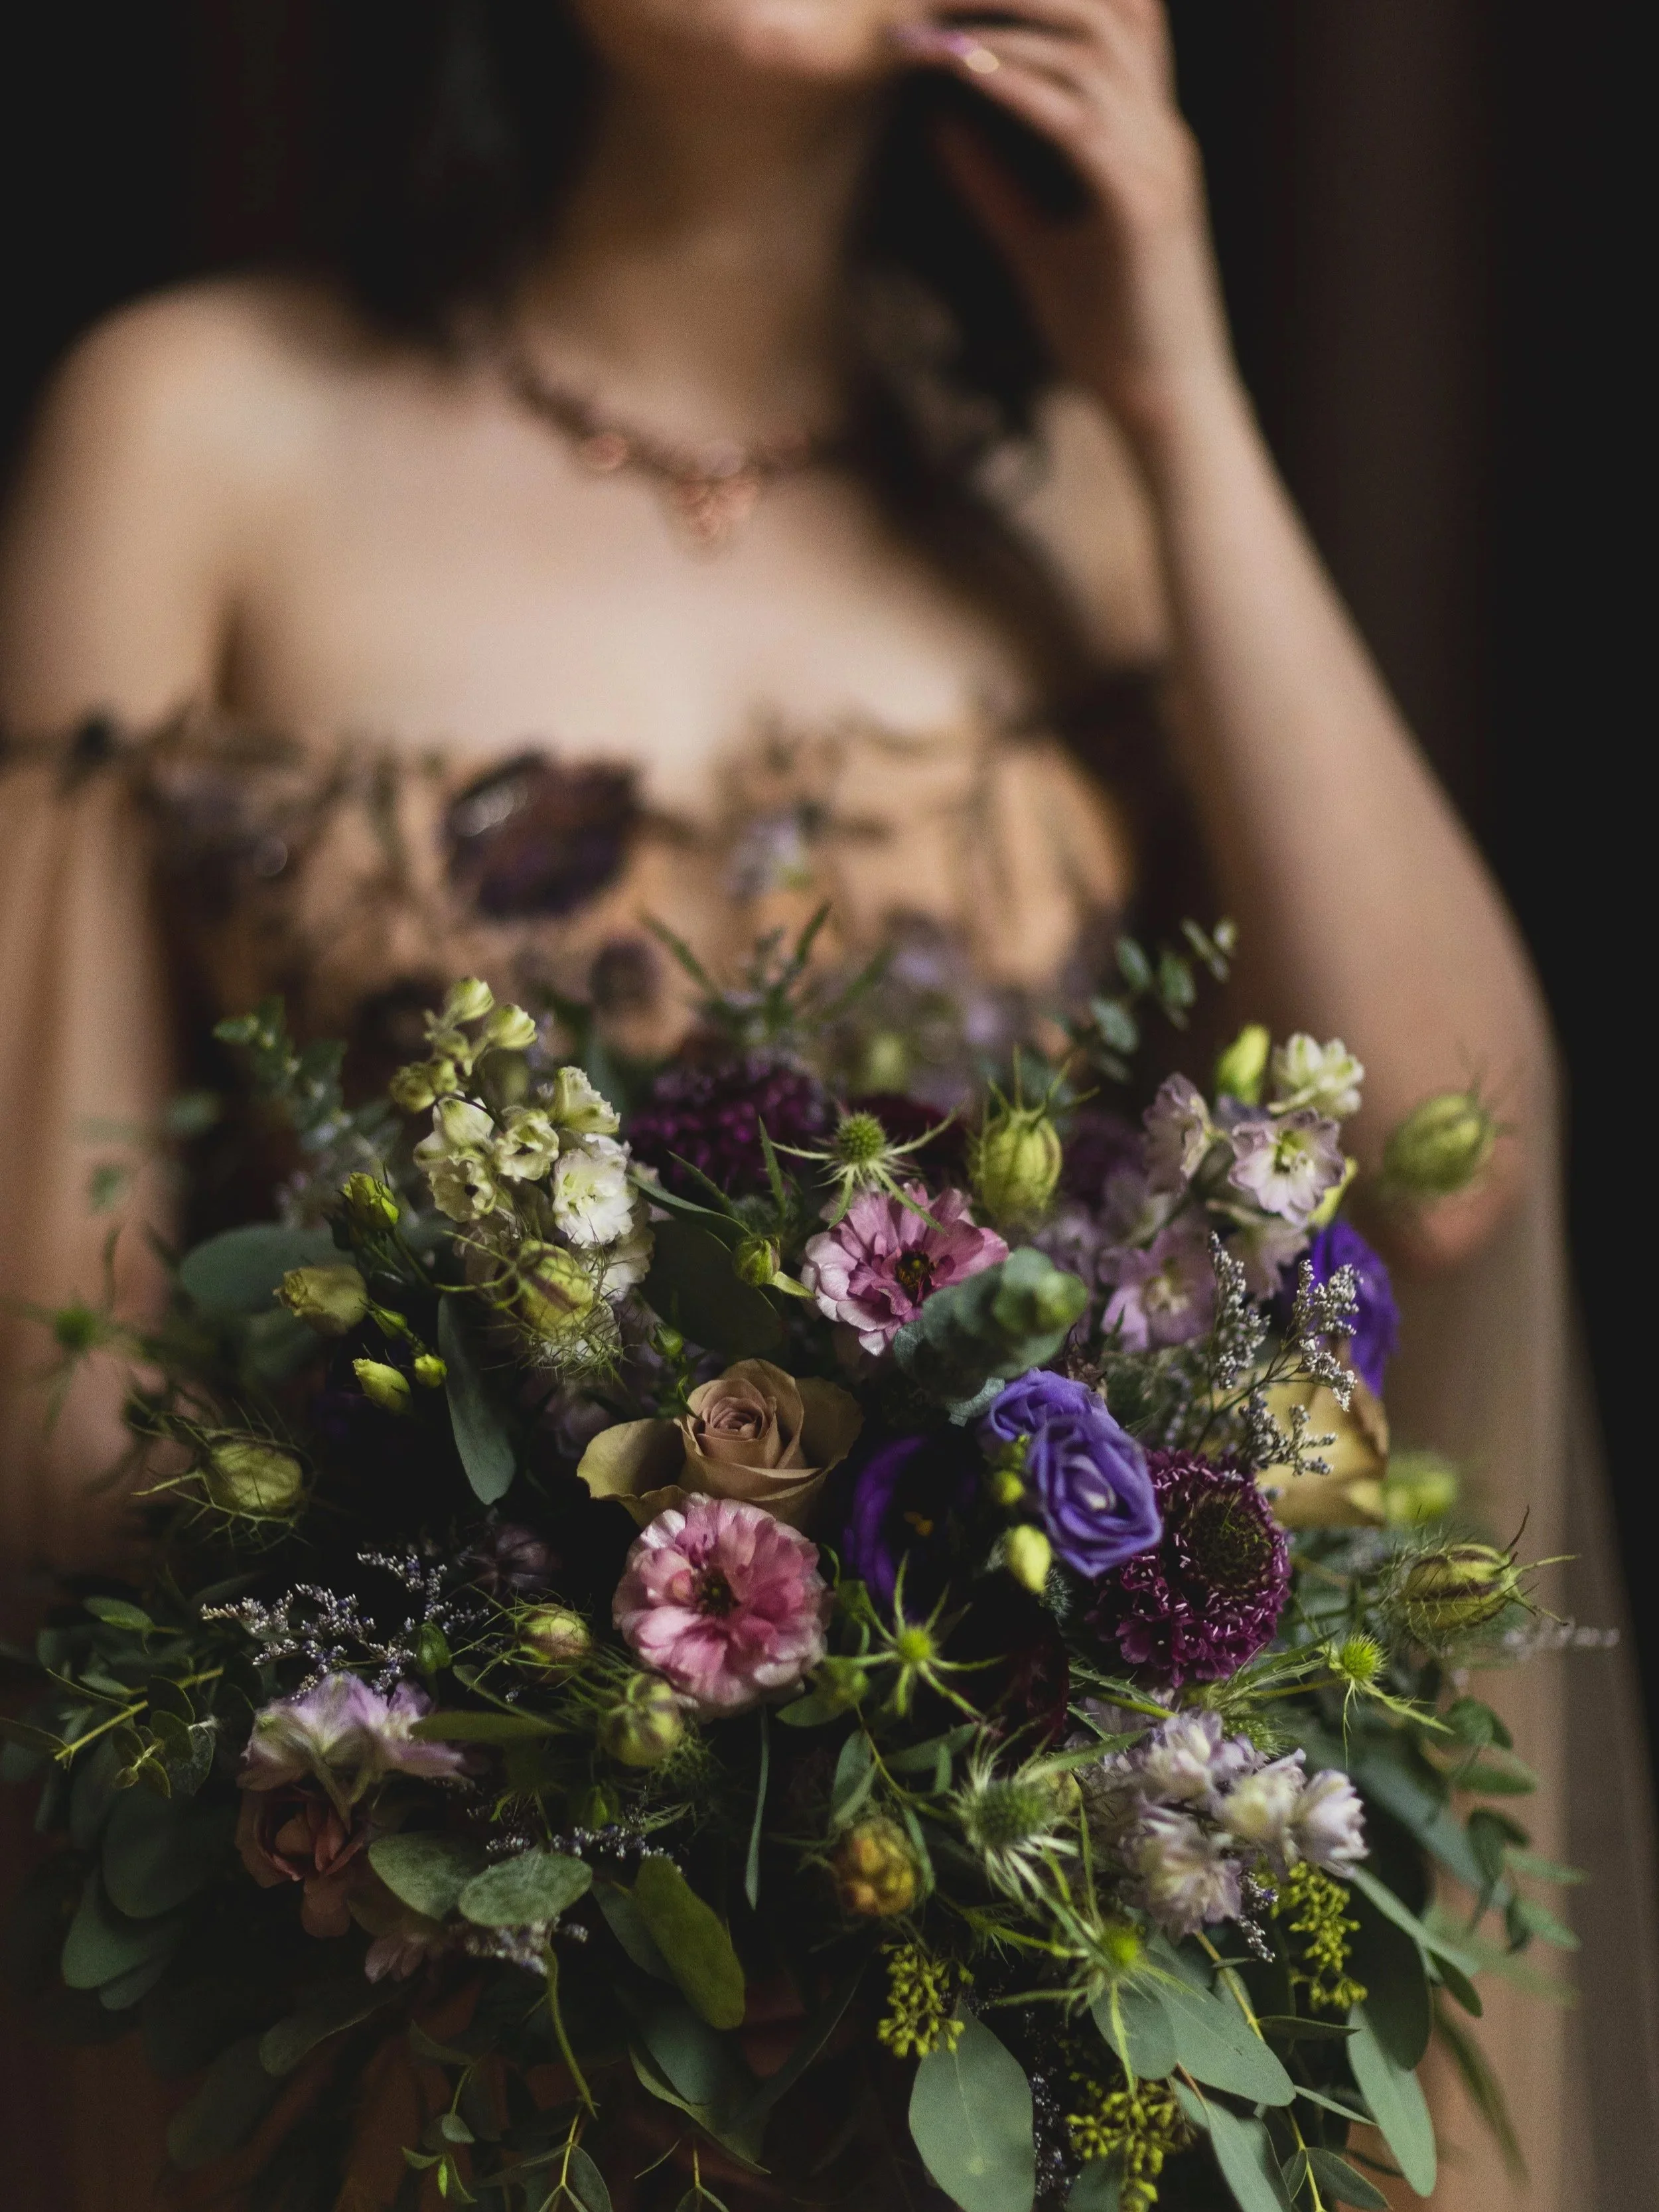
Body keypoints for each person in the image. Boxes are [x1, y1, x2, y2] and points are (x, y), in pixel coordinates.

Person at [0, 5, 1597, 2205]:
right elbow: (50, 1377)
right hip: (453, 2034)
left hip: (1020, 2049)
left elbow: (1442, 1167)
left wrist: (1172, 391)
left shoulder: (1084, 498)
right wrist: (510, 1760)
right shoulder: (197, 435)